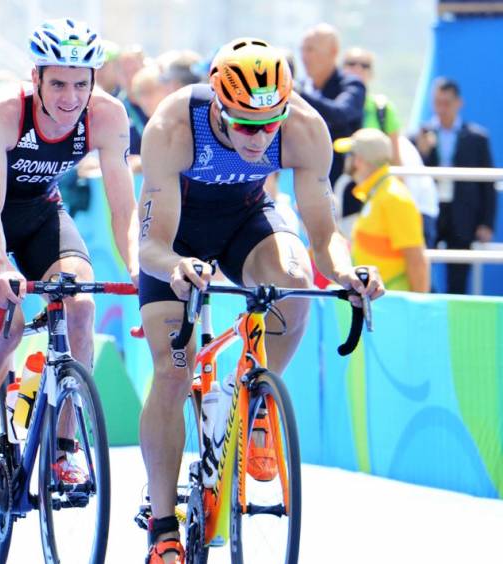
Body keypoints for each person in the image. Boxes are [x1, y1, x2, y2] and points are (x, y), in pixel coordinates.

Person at [136, 38, 385, 563]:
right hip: (175, 239)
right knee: (173, 371)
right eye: (247, 125)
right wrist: (176, 267)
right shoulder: (174, 125)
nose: (261, 137)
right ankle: (162, 527)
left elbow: (325, 236)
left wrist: (347, 272)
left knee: (296, 285)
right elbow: (152, 244)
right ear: (218, 107)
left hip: (246, 221)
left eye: (271, 123)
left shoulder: (304, 127)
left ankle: (246, 402)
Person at [0, 18, 139, 518]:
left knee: (81, 306)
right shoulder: (1, 112)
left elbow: (123, 209)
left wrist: (138, 266)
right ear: (36, 78)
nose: (71, 97)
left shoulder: (108, 115)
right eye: (58, 84)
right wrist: (1, 267)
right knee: (6, 324)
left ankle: (64, 448)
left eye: (80, 84)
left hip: (42, 214)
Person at [413, 78, 496, 294]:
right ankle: (429, 308)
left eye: (447, 103)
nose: (441, 109)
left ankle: (454, 312)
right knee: (421, 267)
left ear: (459, 103)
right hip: (430, 211)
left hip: (463, 214)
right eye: (437, 103)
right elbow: (413, 177)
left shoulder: (477, 137)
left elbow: (488, 185)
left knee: (458, 277)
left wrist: (486, 223)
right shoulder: (420, 136)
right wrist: (423, 152)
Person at [336, 129, 429, 292]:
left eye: (349, 155)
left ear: (359, 160)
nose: (346, 160)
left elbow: (417, 260)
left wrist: (417, 304)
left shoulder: (393, 197)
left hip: (392, 301)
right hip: (380, 298)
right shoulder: (379, 193)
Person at [298, 24, 366, 188]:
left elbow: (340, 114)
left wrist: (299, 95)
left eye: (311, 49)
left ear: (333, 52)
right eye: (302, 49)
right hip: (303, 179)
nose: (304, 56)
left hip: (343, 185)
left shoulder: (352, 85)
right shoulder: (301, 86)